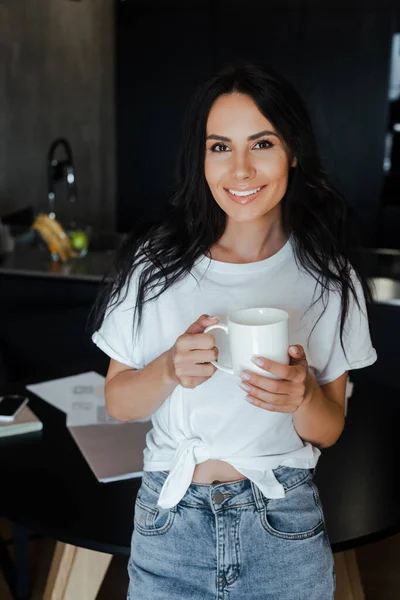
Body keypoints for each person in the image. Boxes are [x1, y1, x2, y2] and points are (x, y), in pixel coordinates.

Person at [92, 63, 377, 599]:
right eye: (220, 147)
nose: (240, 169)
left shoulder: (330, 278)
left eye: (262, 143)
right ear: (201, 159)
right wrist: (168, 369)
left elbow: (328, 428)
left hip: (283, 527)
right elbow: (119, 404)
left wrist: (302, 394)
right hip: (169, 525)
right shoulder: (155, 266)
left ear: (292, 150)